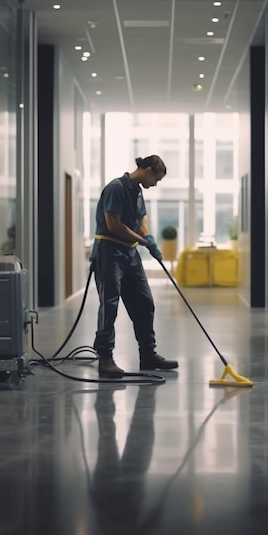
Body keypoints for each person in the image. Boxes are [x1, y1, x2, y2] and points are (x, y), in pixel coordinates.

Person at [90, 155, 179, 378]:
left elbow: (141, 221)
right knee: (109, 305)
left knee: (144, 302)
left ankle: (148, 354)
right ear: (147, 170)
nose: (155, 184)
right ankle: (105, 358)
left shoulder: (138, 191)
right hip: (109, 252)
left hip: (130, 254)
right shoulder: (116, 188)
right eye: (155, 179)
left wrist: (148, 238)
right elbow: (113, 225)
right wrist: (144, 242)